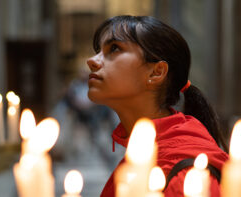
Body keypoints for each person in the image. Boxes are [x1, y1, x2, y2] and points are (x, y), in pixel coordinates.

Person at [86, 15, 229, 197]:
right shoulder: (143, 154)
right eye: (98, 50)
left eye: (114, 48)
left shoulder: (185, 173)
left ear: (156, 72)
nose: (92, 61)